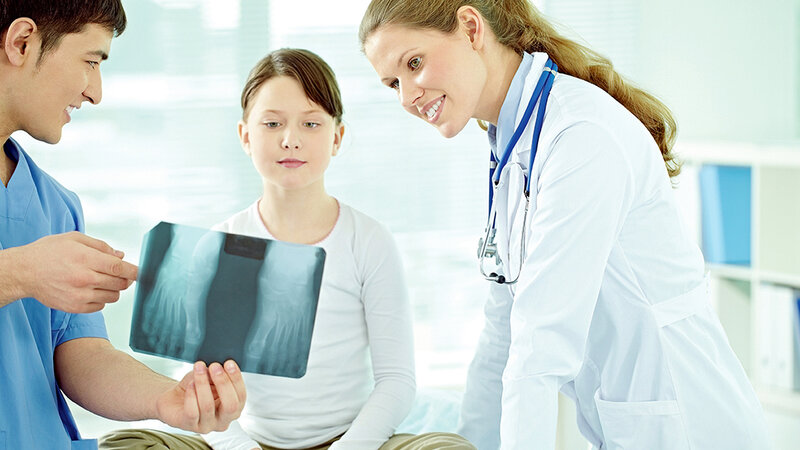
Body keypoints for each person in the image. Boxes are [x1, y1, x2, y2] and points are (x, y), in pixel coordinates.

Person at [359, 1, 772, 449]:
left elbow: (540, 342)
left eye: (414, 63)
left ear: (471, 27)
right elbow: (504, 327)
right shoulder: (513, 145)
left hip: (690, 423)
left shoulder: (581, 134)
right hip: (634, 422)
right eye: (393, 83)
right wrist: (470, 443)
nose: (407, 96)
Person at [99, 48, 476, 450]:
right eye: (272, 123)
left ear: (337, 137)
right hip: (248, 442)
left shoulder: (369, 241)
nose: (290, 140)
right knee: (124, 444)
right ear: (246, 136)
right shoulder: (220, 244)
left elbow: (397, 381)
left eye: (311, 123)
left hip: (351, 441)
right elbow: (204, 386)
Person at [0, 1, 247, 448]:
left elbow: (82, 353)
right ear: (22, 43)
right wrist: (21, 273)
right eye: (90, 62)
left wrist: (166, 400)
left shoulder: (55, 206)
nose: (95, 93)